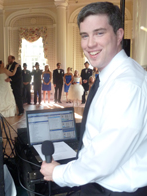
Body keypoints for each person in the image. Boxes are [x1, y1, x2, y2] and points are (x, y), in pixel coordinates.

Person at [40, 2, 147, 196]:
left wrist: (57, 172)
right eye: (84, 35)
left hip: (114, 191)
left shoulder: (126, 85)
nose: (90, 44)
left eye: (99, 33)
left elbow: (101, 162)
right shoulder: (110, 77)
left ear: (119, 34)